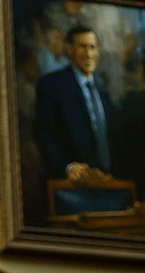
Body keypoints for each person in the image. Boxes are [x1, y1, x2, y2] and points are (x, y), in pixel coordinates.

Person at [33, 26, 120, 182]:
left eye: (92, 47)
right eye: (82, 47)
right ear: (69, 49)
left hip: (108, 182)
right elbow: (44, 134)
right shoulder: (51, 85)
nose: (88, 54)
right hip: (71, 183)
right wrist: (66, 167)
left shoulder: (103, 90)